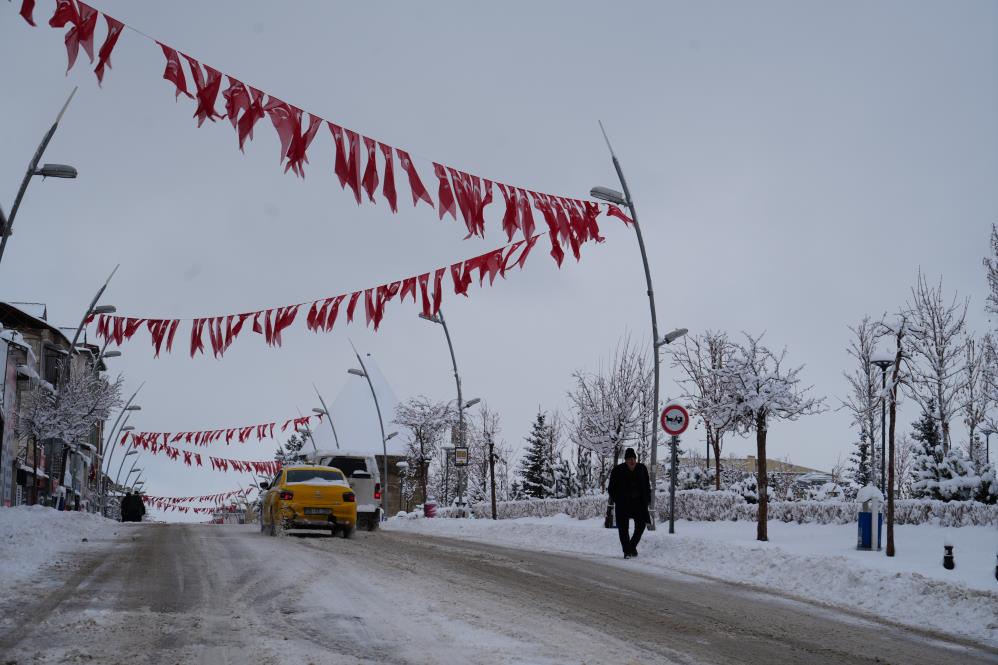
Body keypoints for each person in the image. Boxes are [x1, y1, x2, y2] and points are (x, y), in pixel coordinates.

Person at [607, 447, 651, 559]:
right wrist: (618, 500)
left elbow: (647, 485)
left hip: (639, 504)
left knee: (641, 525)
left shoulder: (642, 468)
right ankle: (627, 551)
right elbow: (611, 488)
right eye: (629, 459)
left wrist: (647, 500)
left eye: (633, 459)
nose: (632, 461)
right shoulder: (617, 470)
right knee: (623, 529)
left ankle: (631, 546)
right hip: (623, 504)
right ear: (625, 460)